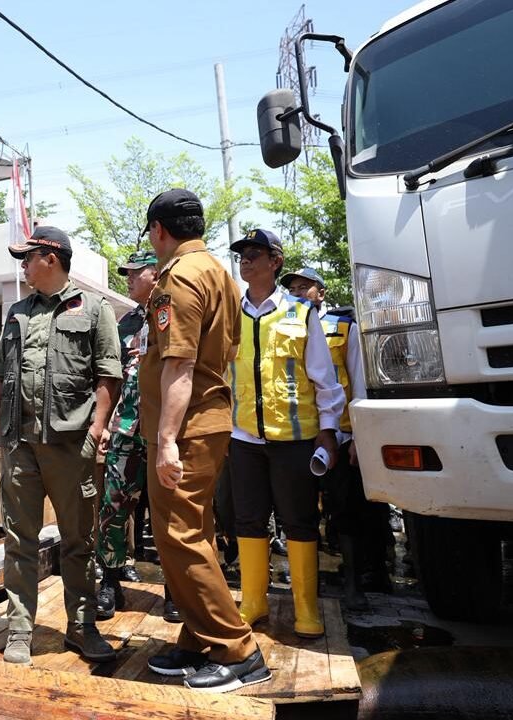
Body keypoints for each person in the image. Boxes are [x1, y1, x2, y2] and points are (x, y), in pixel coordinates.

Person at [138, 189, 269, 693]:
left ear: (159, 230)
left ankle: (238, 649)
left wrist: (167, 440)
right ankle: (199, 637)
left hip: (187, 428)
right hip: (206, 422)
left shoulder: (182, 276)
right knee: (192, 532)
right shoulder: (217, 271)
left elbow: (179, 362)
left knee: (179, 535)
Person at [0, 225, 122, 666]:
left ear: (51, 259)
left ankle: (81, 627)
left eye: (28, 257)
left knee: (78, 540)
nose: (23, 266)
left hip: (71, 445)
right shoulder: (17, 312)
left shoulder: (95, 309)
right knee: (19, 539)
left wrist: (97, 432)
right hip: (19, 445)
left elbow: (109, 376)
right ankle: (19, 630)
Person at [228, 231, 345, 641]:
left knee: (299, 521)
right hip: (243, 439)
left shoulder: (301, 312)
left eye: (254, 254)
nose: (245, 261)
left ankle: (305, 605)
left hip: (295, 440)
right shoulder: (230, 315)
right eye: (241, 255)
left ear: (275, 261)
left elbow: (324, 378)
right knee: (248, 519)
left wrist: (328, 432)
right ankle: (254, 601)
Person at [282, 266, 379, 609]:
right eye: (292, 287)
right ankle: (306, 587)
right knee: (300, 512)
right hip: (298, 435)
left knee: (346, 512)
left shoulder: (343, 327)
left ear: (320, 293)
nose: (297, 291)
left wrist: (359, 437)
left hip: (340, 436)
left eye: (305, 286)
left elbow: (359, 381)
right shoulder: (281, 326)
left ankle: (354, 584)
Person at [95, 248, 160, 619]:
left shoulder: (175, 312)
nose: (129, 278)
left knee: (169, 514)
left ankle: (176, 591)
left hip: (164, 429)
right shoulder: (126, 324)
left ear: (155, 273)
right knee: (113, 506)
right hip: (126, 429)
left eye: (136, 272)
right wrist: (103, 424)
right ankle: (111, 581)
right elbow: (113, 376)